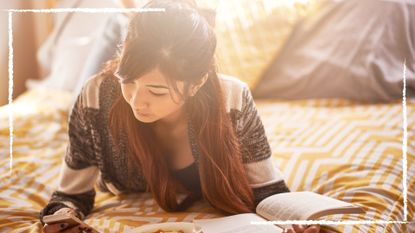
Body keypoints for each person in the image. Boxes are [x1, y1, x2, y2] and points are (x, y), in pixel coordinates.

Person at [40, 1, 320, 232]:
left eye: (157, 91)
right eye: (128, 81)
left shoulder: (233, 100)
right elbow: (69, 195)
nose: (137, 101)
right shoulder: (96, 97)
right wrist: (63, 218)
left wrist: (293, 220)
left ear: (196, 84)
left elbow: (268, 191)